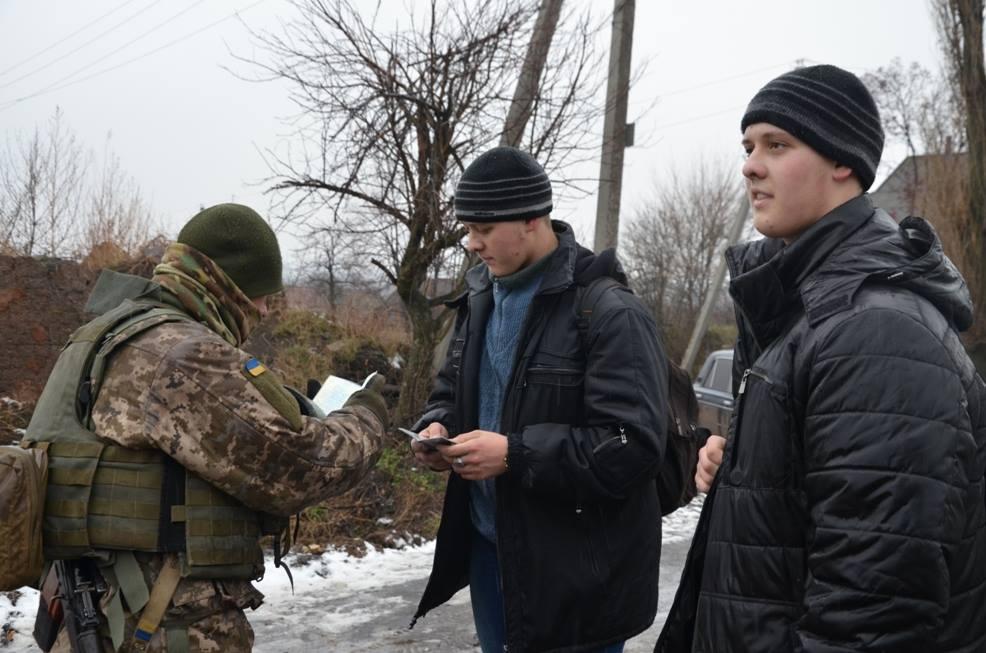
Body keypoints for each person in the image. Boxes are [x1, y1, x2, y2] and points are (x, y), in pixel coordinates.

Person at [657, 65, 986, 652]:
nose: (750, 165)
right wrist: (746, 467)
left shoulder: (877, 331)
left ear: (844, 164)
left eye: (777, 145)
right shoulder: (808, 309)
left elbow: (874, 614)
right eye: (749, 146)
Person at [24, 203, 388, 652]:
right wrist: (366, 413)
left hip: (103, 613)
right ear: (229, 288)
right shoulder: (182, 354)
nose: (266, 309)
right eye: (261, 295)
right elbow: (300, 467)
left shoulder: (103, 333)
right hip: (160, 628)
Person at [409, 146, 669, 653]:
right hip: (490, 550)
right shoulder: (478, 298)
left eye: (482, 229)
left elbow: (633, 445)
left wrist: (514, 453)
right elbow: (451, 389)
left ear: (531, 219)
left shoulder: (610, 312)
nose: (470, 243)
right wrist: (437, 426)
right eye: (467, 228)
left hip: (576, 574)